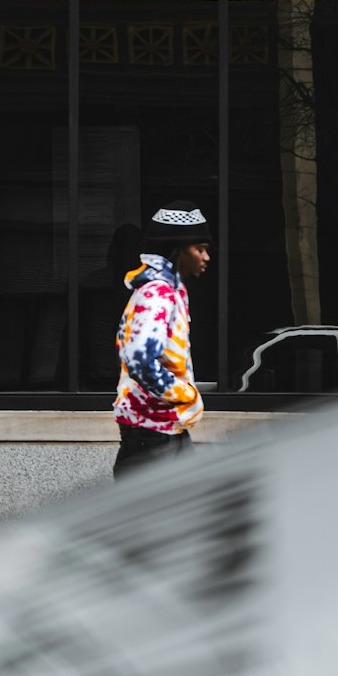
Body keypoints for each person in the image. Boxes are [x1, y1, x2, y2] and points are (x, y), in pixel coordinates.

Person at [113, 201, 211, 478]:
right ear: (177, 250)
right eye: (200, 249)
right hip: (152, 436)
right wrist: (186, 395)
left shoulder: (170, 291)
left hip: (164, 430)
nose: (206, 257)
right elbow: (140, 361)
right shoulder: (158, 294)